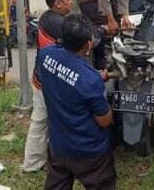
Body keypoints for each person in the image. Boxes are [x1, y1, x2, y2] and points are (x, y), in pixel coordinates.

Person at [37, 14, 115, 190]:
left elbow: (68, 75)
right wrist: (97, 82)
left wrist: (93, 75)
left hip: (58, 145)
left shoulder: (45, 55)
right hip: (89, 151)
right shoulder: (91, 81)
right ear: (88, 45)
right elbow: (104, 121)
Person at [22, 0, 73, 173]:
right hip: (46, 83)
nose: (71, 2)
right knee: (40, 121)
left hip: (43, 79)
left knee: (46, 121)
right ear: (58, 3)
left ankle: (42, 158)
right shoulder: (57, 24)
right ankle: (32, 163)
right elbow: (78, 39)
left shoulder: (48, 17)